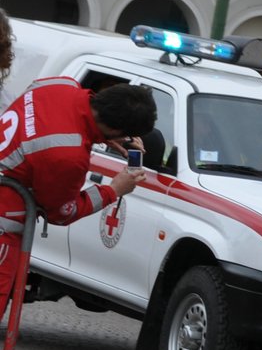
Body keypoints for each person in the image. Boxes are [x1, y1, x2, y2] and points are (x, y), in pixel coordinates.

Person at [0, 31, 156, 297]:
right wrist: (113, 190)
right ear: (118, 129)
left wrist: (102, 137)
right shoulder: (69, 157)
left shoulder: (59, 84)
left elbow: (44, 124)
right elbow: (61, 212)